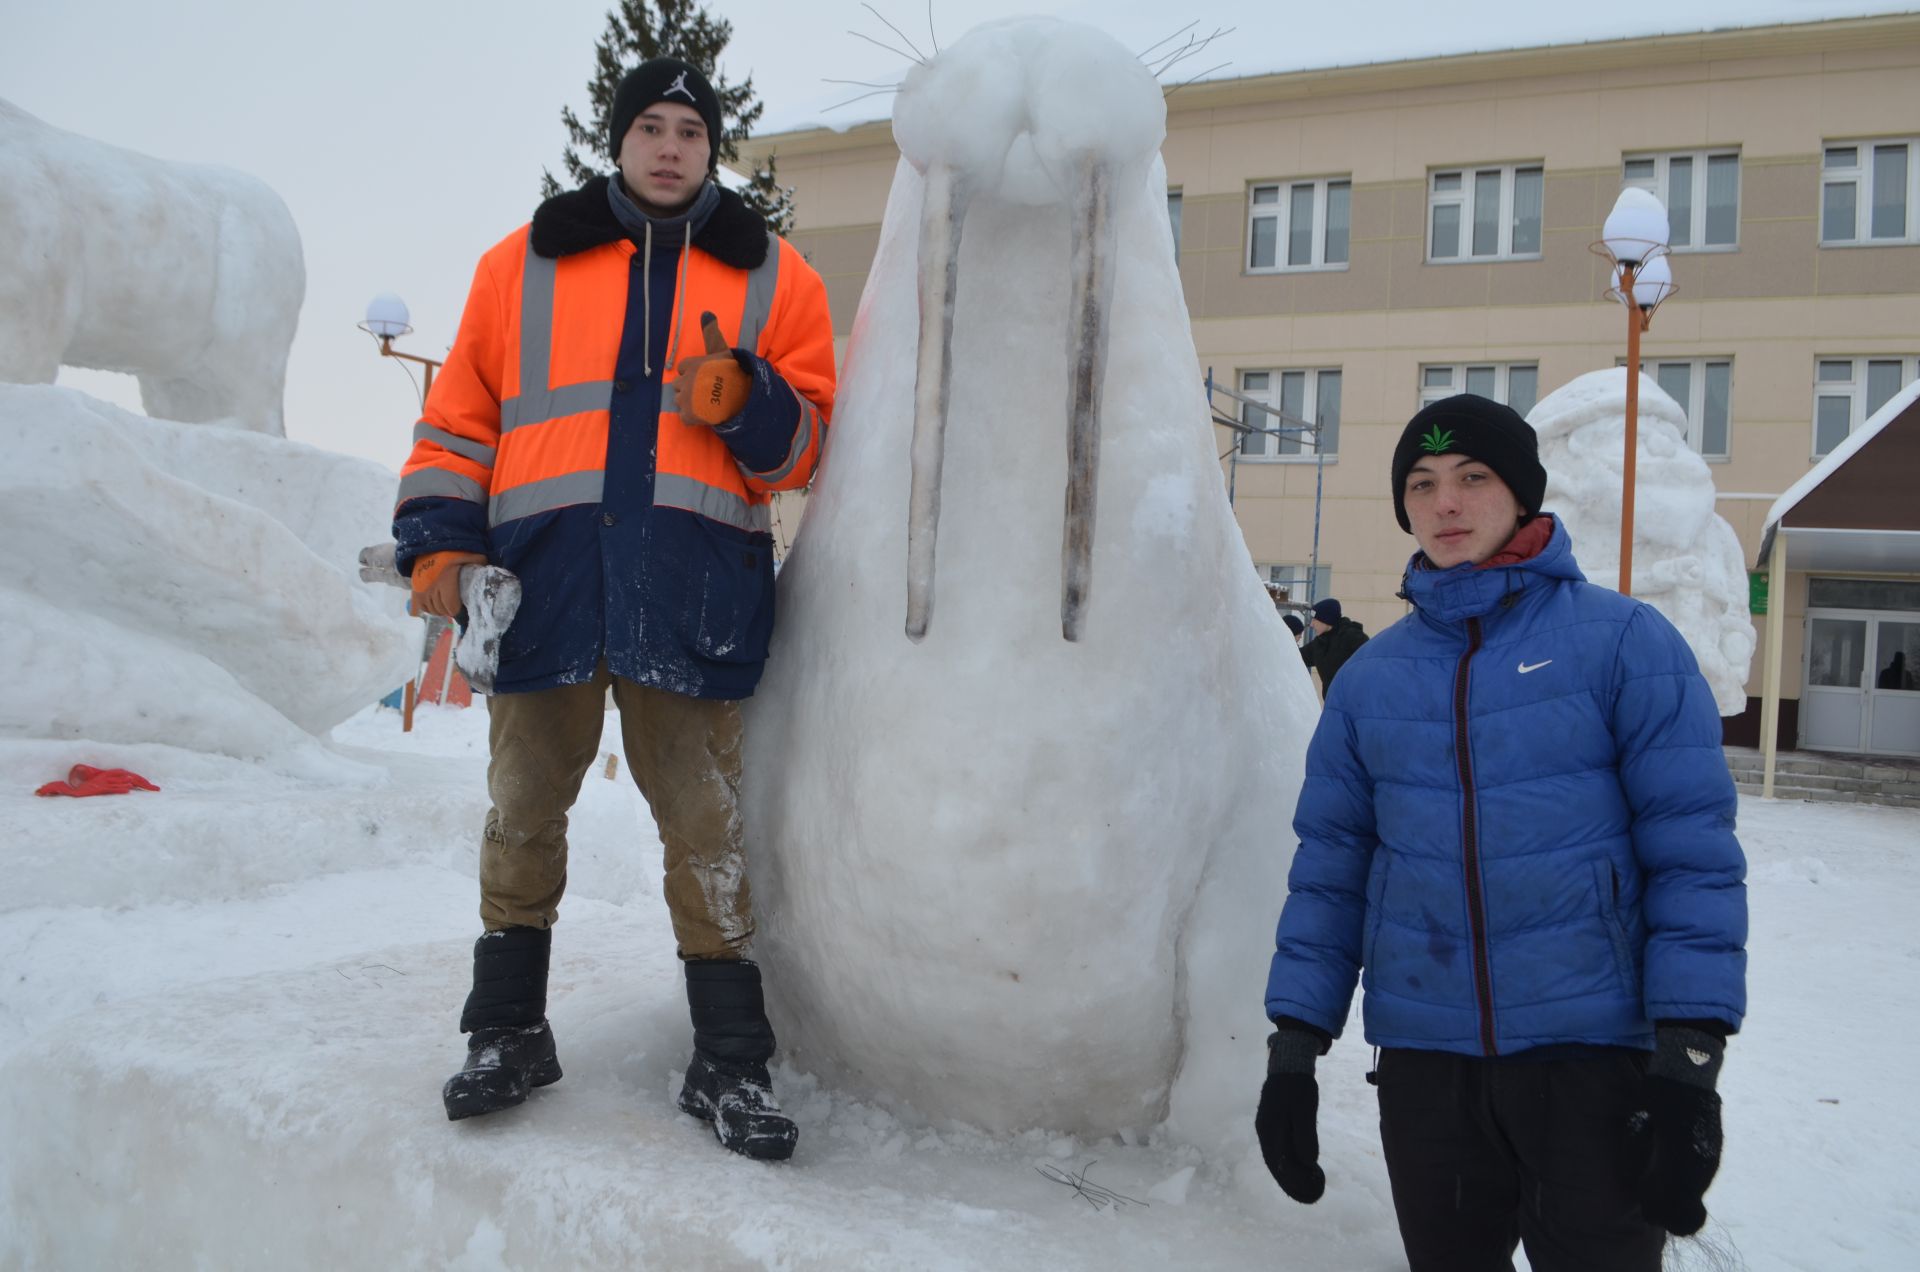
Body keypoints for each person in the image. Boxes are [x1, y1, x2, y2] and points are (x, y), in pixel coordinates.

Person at [392, 58, 836, 1162]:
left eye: (692, 128)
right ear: (619, 137)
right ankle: (507, 1030)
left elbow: (813, 448)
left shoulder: (779, 281)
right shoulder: (521, 265)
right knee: (523, 811)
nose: (672, 145)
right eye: (652, 125)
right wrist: (441, 549)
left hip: (692, 596)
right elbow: (456, 427)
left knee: (706, 830)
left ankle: (729, 1060)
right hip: (544, 589)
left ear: (710, 145)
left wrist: (752, 402)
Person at [1255, 394, 1747, 1270]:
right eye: (1423, 482)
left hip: (1592, 1061)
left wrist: (1690, 1058)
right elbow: (1332, 869)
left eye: (1473, 478)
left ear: (1523, 495)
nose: (1446, 502)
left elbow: (1692, 858)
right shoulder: (1372, 682)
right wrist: (1295, 1048)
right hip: (1426, 1070)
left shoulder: (1625, 644)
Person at [1299, 597, 1368, 692]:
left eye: (1315, 619)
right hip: (1331, 702)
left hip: (1354, 702)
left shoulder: (1353, 637)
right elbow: (1296, 656)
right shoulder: (1319, 643)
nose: (1311, 624)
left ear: (1326, 620)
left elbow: (1370, 664)